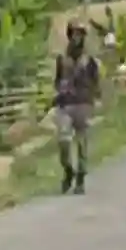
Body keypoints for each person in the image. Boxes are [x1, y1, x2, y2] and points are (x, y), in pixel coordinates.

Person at [54, 19, 100, 195]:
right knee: (63, 141)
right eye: (75, 33)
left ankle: (80, 176)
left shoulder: (89, 60)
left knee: (82, 143)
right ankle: (68, 171)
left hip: (83, 103)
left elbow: (95, 81)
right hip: (65, 103)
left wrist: (93, 99)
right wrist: (61, 90)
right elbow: (57, 80)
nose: (77, 37)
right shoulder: (62, 58)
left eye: (81, 34)